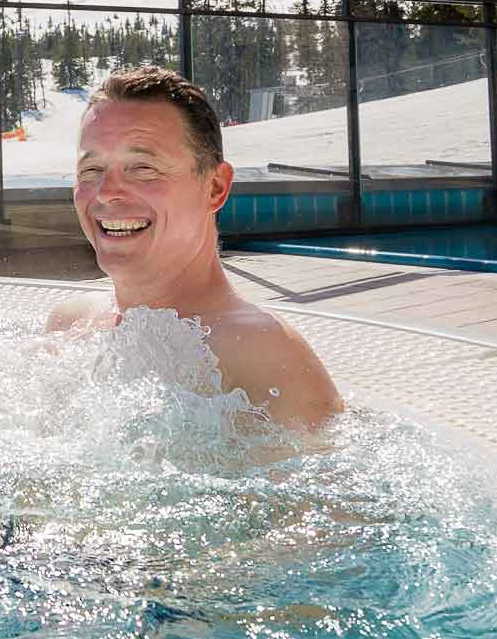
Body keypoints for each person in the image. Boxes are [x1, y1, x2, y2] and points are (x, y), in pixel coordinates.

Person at [44, 66, 342, 432]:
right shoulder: (69, 323)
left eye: (143, 167)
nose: (106, 192)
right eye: (91, 170)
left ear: (215, 187)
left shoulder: (264, 356)